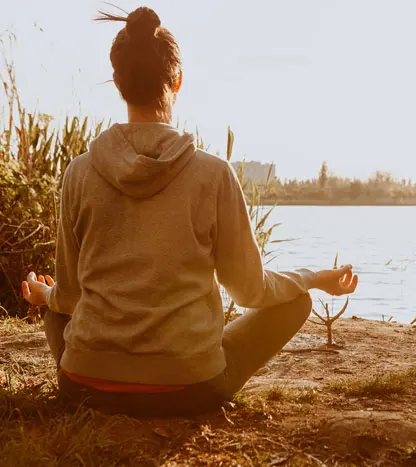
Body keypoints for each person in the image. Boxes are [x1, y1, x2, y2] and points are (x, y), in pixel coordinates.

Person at [20, 6, 358, 417]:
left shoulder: (78, 173)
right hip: (188, 389)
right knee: (296, 301)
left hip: (86, 386)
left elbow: (70, 298)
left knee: (56, 312)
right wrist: (314, 278)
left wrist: (43, 294)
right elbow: (250, 290)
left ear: (117, 83)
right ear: (177, 80)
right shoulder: (213, 174)